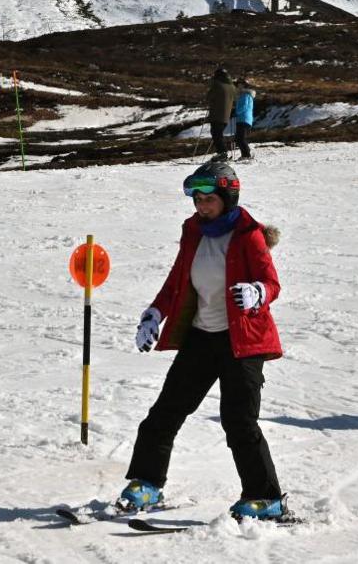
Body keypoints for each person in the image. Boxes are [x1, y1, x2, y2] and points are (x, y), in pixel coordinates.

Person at [119, 161, 291, 521]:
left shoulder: (248, 235)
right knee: (164, 413)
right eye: (197, 199)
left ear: (228, 198)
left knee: (239, 422)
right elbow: (178, 280)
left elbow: (271, 282)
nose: (201, 206)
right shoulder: (193, 231)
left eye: (209, 199)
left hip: (242, 341)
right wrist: (155, 312)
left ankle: (266, 497)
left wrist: (258, 292)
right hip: (201, 336)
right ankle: (146, 484)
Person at [206, 68, 237, 161]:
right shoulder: (232, 87)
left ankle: (222, 153)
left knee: (216, 134)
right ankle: (222, 153)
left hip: (216, 114)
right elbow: (235, 99)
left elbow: (209, 97)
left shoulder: (217, 84)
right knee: (218, 134)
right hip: (226, 116)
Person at [233, 78, 256, 161]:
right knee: (239, 138)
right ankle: (245, 154)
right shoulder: (244, 95)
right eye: (238, 85)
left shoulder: (245, 95)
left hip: (244, 118)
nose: (238, 86)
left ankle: (246, 155)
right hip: (243, 119)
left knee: (240, 138)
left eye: (240, 84)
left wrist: (235, 111)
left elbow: (243, 107)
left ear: (244, 85)